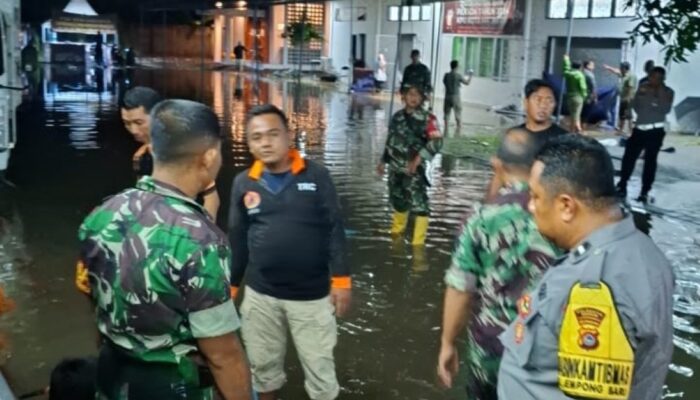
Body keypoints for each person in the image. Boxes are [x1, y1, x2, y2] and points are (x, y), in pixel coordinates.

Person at [78, 100, 253, 400]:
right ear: (209, 157)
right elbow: (223, 356)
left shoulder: (102, 215)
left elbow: (96, 301)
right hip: (173, 387)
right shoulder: (201, 240)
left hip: (111, 377)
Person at [497, 134, 674, 400]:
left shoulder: (596, 285)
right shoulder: (641, 250)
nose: (530, 206)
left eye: (535, 196)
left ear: (567, 206)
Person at [229, 104, 351, 400]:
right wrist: (231, 288)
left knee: (320, 373)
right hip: (261, 297)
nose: (265, 142)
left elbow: (335, 228)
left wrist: (342, 281)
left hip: (311, 297)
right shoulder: (244, 182)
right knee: (263, 370)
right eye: (256, 137)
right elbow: (238, 238)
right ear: (248, 143)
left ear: (289, 135)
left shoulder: (317, 176)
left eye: (273, 134)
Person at [437, 128, 558, 399]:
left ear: (496, 164)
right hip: (542, 357)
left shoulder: (480, 218)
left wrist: (447, 343)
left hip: (490, 352)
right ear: (537, 164)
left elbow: (460, 288)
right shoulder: (559, 215)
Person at [121, 87, 220, 219]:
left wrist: (206, 233)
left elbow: (212, 199)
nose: (133, 130)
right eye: (127, 123)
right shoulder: (141, 157)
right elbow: (142, 197)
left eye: (139, 122)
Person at [377, 85, 442, 246]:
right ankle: (396, 239)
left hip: (413, 170)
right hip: (395, 169)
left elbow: (438, 141)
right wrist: (383, 161)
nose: (413, 98)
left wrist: (419, 158)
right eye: (410, 94)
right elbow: (391, 141)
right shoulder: (397, 117)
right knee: (398, 202)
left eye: (417, 94)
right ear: (403, 96)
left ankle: (418, 245)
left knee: (420, 205)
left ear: (422, 98)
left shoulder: (428, 119)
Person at [485, 79, 568, 201]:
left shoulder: (564, 139)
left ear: (554, 105)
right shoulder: (512, 135)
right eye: (538, 99)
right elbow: (499, 175)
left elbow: (565, 183)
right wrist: (488, 205)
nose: (543, 105)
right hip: (511, 204)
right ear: (526, 103)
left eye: (549, 100)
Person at [616, 66, 674, 203]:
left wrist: (657, 95)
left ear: (662, 79)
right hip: (640, 129)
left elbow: (664, 109)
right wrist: (638, 110)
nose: (653, 80)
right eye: (652, 76)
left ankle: (645, 191)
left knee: (650, 161)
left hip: (655, 131)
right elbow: (635, 104)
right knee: (629, 157)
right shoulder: (643, 87)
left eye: (657, 78)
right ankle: (622, 185)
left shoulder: (668, 92)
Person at [603, 61, 637, 134]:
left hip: (628, 98)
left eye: (621, 68)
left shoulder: (630, 76)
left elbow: (631, 88)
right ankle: (621, 130)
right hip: (623, 98)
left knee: (628, 115)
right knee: (622, 114)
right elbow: (616, 71)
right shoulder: (624, 74)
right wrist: (608, 68)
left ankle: (630, 131)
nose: (620, 69)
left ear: (625, 68)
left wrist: (628, 98)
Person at [442, 60, 473, 135]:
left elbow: (444, 82)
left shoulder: (446, 75)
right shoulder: (458, 75)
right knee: (458, 114)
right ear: (456, 66)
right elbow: (467, 83)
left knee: (446, 114)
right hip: (456, 97)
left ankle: (445, 130)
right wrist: (470, 76)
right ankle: (458, 130)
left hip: (447, 96)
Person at [563, 55, 587, 134]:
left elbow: (565, 69)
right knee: (577, 115)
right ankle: (579, 130)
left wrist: (566, 60)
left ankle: (571, 132)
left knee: (573, 115)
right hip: (578, 97)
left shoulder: (568, 74)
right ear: (580, 67)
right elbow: (583, 87)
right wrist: (585, 96)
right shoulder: (580, 75)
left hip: (569, 97)